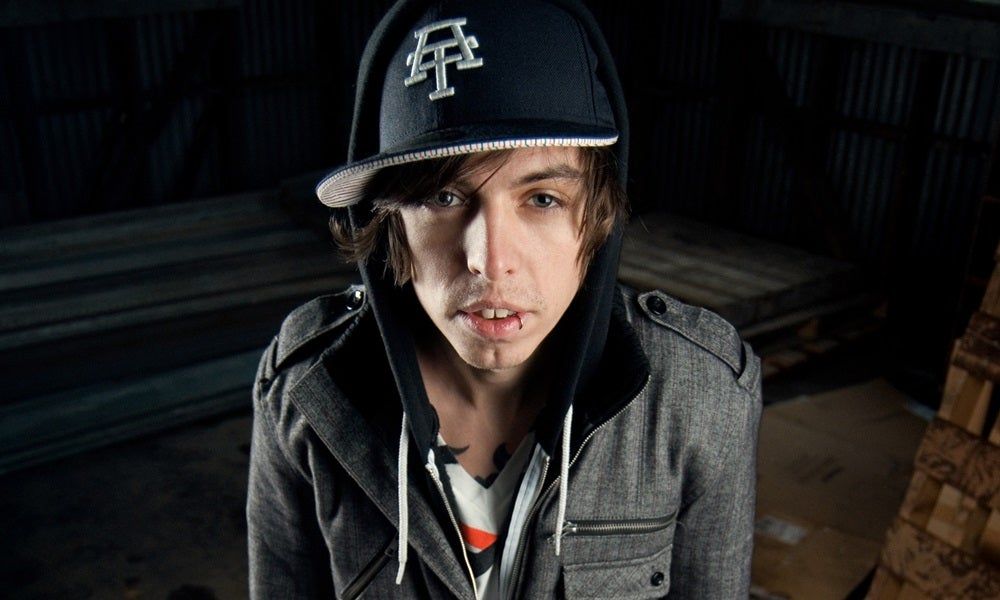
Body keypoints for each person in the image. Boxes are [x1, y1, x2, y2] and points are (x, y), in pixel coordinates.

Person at [246, 0, 764, 598]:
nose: (490, 261)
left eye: (542, 199)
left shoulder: (700, 396)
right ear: (390, 223)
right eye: (442, 197)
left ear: (598, 218)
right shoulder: (305, 392)